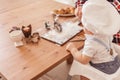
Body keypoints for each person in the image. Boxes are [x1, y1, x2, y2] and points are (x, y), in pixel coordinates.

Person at [66, 0, 120, 80]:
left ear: (88, 27)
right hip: (115, 62)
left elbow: (83, 60)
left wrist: (73, 49)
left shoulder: (91, 43)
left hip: (105, 69)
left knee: (82, 66)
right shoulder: (106, 34)